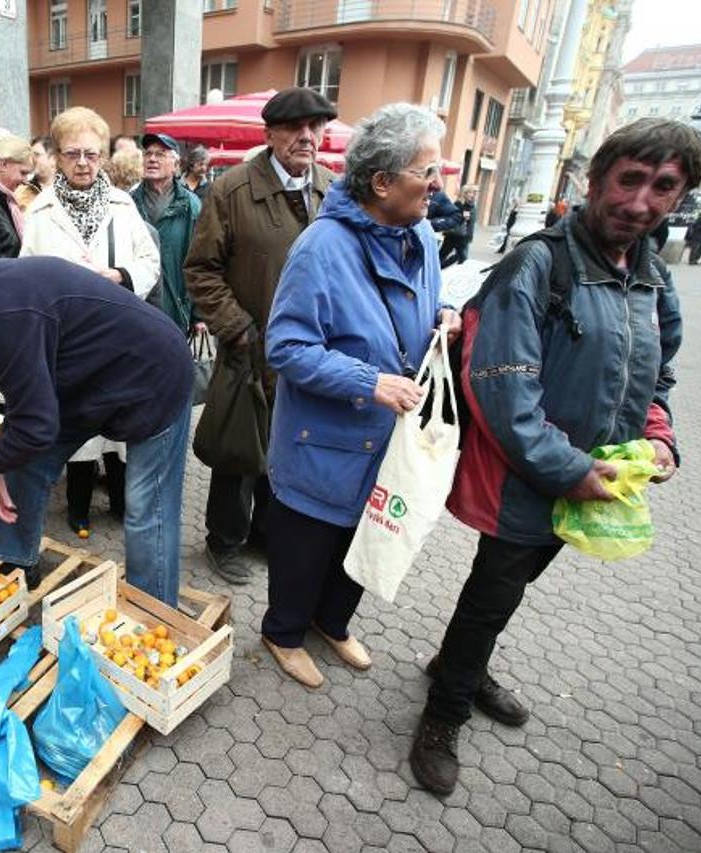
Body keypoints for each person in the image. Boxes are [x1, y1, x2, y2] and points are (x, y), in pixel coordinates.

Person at [409, 117, 701, 796]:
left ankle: (457, 664)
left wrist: (658, 435)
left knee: (505, 591)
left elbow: (656, 374)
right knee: (492, 592)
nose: (640, 202)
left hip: (589, 483)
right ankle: (442, 712)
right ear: (594, 180)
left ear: (679, 195)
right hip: (529, 479)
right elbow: (503, 389)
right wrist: (570, 470)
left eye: (663, 187)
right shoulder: (537, 264)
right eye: (628, 180)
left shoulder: (652, 275)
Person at [261, 103, 459, 689]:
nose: (437, 183)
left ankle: (332, 621)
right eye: (427, 171)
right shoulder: (321, 247)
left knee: (368, 533)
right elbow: (287, 348)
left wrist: (443, 315)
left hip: (389, 436)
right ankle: (284, 632)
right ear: (382, 182)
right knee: (307, 546)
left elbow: (426, 299)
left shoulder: (420, 231)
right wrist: (369, 381)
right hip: (325, 437)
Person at [0, 237, 193, 605]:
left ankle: (155, 615)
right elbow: (25, 404)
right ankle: (12, 564)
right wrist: (0, 459)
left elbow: (36, 424)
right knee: (19, 458)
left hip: (154, 374)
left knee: (147, 509)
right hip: (86, 383)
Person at [184, 86, 337, 585]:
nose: (307, 137)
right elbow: (201, 269)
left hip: (309, 354)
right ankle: (223, 541)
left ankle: (264, 536)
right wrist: (239, 328)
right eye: (295, 127)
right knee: (239, 451)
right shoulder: (231, 190)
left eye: (316, 127)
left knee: (287, 447)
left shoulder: (332, 190)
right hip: (249, 349)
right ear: (269, 134)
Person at [20, 106, 161, 538]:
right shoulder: (40, 212)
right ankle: (78, 509)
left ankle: (120, 503)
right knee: (78, 427)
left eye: (91, 154)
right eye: (72, 154)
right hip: (69, 342)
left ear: (103, 157)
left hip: (118, 336)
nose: (83, 163)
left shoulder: (123, 206)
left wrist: (121, 276)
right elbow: (26, 274)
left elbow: (150, 260)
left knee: (120, 427)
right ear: (58, 157)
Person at [131, 132, 202, 334]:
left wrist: (198, 315)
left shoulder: (191, 206)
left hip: (175, 305)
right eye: (148, 154)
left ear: (176, 164)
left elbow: (200, 260)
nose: (152, 159)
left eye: (161, 154)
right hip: (138, 304)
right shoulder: (129, 202)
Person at [438, 185, 478, 268]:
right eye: (470, 192)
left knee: (459, 257)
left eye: (474, 193)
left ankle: (439, 267)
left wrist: (470, 236)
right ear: (464, 193)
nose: (473, 195)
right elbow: (455, 217)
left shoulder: (471, 205)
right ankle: (439, 267)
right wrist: (464, 214)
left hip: (464, 235)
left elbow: (471, 223)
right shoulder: (459, 204)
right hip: (455, 234)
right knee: (453, 255)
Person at [15, 135, 57, 210]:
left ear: (53, 159)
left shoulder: (68, 190)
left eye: (37, 155)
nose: (31, 160)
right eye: (30, 156)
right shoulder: (20, 192)